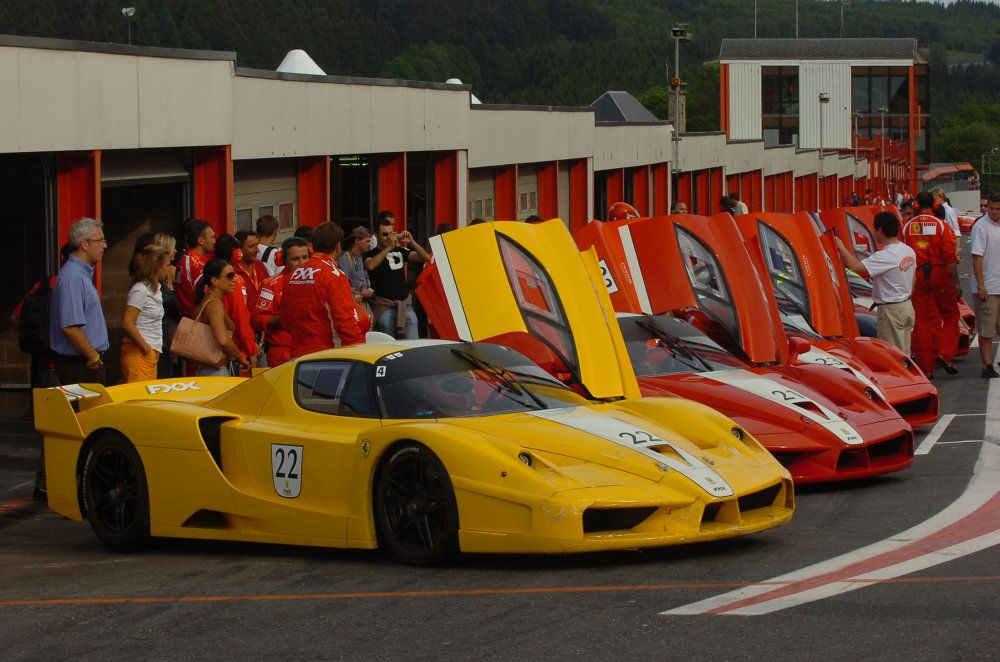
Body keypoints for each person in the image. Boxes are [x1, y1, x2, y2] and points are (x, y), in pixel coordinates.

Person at [836, 212, 916, 355]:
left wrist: (841, 248)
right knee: (905, 354)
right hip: (906, 305)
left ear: (880, 230)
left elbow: (856, 267)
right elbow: (914, 279)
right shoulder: (908, 250)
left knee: (893, 357)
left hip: (891, 309)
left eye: (874, 229)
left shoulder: (886, 255)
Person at [283, 221, 365, 356]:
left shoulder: (293, 274)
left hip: (297, 353)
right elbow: (345, 323)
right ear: (338, 246)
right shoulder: (334, 275)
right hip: (326, 354)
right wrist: (361, 353)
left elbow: (285, 320)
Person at [902, 191, 961, 378]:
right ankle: (944, 353)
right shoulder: (942, 226)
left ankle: (926, 367)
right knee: (951, 315)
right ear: (936, 205)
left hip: (917, 275)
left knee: (921, 321)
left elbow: (902, 253)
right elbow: (950, 257)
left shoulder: (907, 227)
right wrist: (956, 281)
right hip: (939, 273)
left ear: (916, 206)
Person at [50, 217, 110, 386]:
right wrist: (94, 357)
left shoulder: (80, 274)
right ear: (84, 244)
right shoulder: (73, 278)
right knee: (85, 413)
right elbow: (70, 327)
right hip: (79, 363)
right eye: (100, 240)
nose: (104, 246)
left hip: (83, 361)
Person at [364, 210, 431, 339]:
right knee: (387, 348)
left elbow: (425, 257)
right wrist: (389, 247)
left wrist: (412, 242)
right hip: (385, 307)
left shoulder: (399, 250)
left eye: (390, 234)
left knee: (413, 346)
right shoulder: (370, 254)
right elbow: (371, 265)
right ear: (376, 235)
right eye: (384, 234)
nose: (389, 237)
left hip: (406, 306)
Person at [252, 237, 311, 367]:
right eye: (295, 259)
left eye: (305, 257)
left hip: (313, 348)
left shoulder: (319, 282)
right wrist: (284, 318)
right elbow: (257, 320)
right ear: (282, 260)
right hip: (283, 352)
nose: (301, 263)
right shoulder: (271, 284)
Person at [189, 259, 250, 376]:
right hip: (215, 370)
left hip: (205, 368)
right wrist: (241, 358)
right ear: (215, 280)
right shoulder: (214, 305)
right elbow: (223, 340)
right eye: (230, 276)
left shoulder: (207, 302)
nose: (234, 280)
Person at [120, 245, 171, 383]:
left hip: (150, 354)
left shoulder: (156, 289)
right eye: (167, 265)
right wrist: (146, 349)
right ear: (157, 266)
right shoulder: (140, 289)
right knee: (138, 400)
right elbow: (127, 323)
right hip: (139, 353)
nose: (169, 268)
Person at [213, 234, 260, 370]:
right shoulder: (234, 280)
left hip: (208, 349)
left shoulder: (209, 274)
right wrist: (250, 349)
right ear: (237, 253)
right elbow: (240, 318)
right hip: (233, 351)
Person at [971, 194, 1000, 378]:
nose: (994, 212)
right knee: (987, 329)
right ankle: (987, 366)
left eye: (998, 209)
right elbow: (976, 257)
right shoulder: (981, 227)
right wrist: (981, 286)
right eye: (992, 208)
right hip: (988, 287)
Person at [152, 233, 180, 378]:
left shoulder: (174, 272)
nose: (176, 251)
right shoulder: (149, 283)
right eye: (173, 249)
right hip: (160, 340)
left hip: (169, 340)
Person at [176, 219, 216, 318]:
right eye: (212, 237)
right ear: (201, 240)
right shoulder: (195, 265)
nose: (214, 241)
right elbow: (209, 297)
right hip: (198, 321)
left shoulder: (188, 259)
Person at [338, 226, 375, 314]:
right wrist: (361, 292)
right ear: (357, 241)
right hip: (354, 305)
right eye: (367, 241)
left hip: (364, 303)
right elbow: (342, 285)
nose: (370, 244)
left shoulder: (363, 257)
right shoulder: (346, 259)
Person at [233, 228, 269, 312]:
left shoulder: (259, 265)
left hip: (261, 319)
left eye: (257, 245)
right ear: (239, 249)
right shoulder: (232, 271)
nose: (257, 250)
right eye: (252, 246)